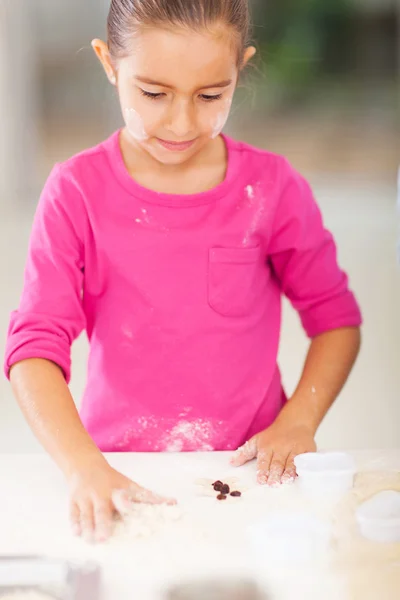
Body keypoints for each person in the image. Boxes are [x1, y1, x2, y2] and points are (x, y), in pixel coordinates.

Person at [4, 0, 362, 543]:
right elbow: (33, 348)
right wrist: (82, 466)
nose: (181, 122)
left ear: (240, 69)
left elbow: (336, 319)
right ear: (109, 64)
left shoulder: (271, 187)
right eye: (153, 93)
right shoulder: (75, 192)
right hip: (118, 472)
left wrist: (298, 422)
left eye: (211, 95)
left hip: (248, 472)